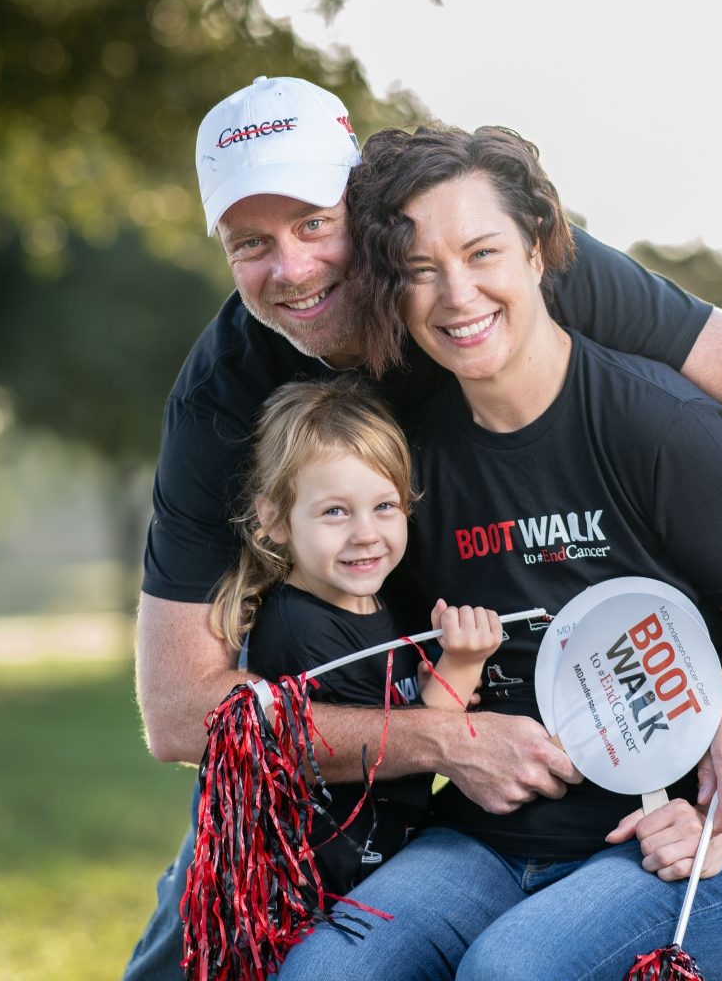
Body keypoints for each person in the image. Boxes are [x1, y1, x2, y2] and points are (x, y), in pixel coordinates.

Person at [124, 77, 722, 978]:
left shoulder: (522, 279)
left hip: (640, 804)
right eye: (250, 244)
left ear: (370, 212)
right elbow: (182, 713)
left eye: (315, 223)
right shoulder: (225, 395)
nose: (294, 267)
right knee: (210, 947)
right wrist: (447, 741)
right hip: (400, 776)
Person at [208, 376, 502, 899]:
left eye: (384, 506)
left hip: (383, 865)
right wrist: (461, 665)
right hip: (333, 892)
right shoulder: (302, 630)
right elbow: (400, 763)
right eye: (335, 512)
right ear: (275, 519)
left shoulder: (374, 600)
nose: (365, 532)